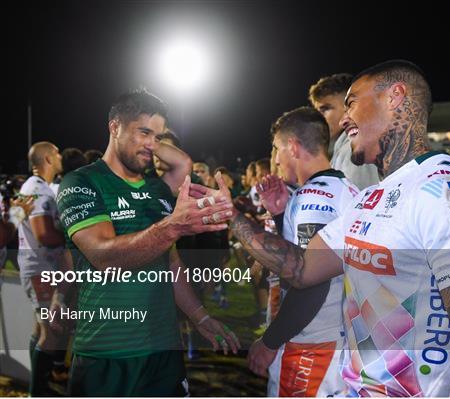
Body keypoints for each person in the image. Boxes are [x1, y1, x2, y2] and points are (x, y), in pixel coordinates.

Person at [208, 60, 450, 396]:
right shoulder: (369, 199)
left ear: (395, 97)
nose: (343, 120)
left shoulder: (449, 193)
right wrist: (231, 216)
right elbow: (300, 269)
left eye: (352, 103)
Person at [56, 88, 238, 396]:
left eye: (160, 137)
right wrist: (171, 228)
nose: (153, 145)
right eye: (144, 132)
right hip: (107, 353)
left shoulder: (157, 188)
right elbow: (103, 256)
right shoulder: (81, 182)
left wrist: (199, 315)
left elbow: (171, 263)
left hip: (164, 353)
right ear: (114, 127)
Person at [250, 106, 357, 396]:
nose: (274, 160)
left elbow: (311, 283)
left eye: (275, 150)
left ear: (293, 147)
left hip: (311, 347)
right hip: (335, 343)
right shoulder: (345, 189)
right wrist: (282, 215)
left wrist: (269, 342)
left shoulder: (313, 199)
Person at [17, 142, 67, 396]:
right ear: (48, 158)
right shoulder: (36, 189)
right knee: (52, 333)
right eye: (57, 153)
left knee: (41, 330)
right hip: (40, 269)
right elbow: (44, 234)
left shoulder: (38, 187)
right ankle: (38, 392)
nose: (61, 157)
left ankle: (40, 385)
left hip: (40, 267)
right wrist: (74, 237)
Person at [309, 73, 379, 190]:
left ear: (349, 107)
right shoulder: (341, 148)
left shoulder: (353, 150)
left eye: (325, 109)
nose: (318, 118)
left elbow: (358, 204)